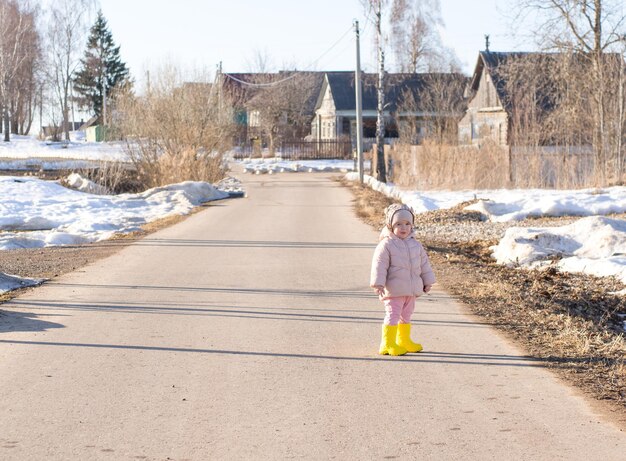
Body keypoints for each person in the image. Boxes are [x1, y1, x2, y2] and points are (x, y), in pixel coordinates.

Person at [370, 203, 436, 356]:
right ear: (390, 225)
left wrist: (427, 281)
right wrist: (378, 283)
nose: (403, 227)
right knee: (393, 315)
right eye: (398, 224)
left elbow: (424, 264)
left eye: (407, 224)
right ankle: (387, 344)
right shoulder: (386, 244)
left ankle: (403, 340)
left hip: (410, 291)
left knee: (406, 315)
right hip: (393, 290)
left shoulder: (416, 245)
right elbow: (379, 265)